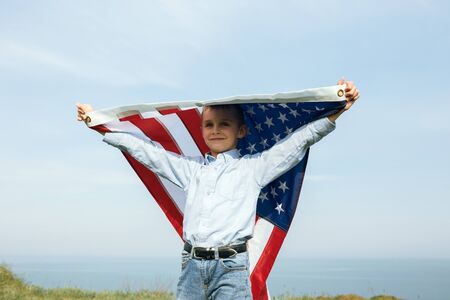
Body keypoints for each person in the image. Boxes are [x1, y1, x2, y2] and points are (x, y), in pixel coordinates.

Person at [76, 80, 360, 299]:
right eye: (209, 125)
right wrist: (102, 127)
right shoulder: (192, 170)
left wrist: (336, 110)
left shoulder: (254, 168)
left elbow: (296, 144)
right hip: (192, 266)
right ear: (201, 131)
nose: (215, 130)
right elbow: (151, 154)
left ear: (242, 131)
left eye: (224, 124)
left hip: (232, 268)